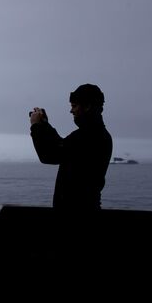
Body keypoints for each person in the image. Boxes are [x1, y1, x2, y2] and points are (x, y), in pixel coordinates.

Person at [29, 83, 113, 212]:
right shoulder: (97, 135)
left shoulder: (86, 136)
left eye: (74, 106)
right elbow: (62, 147)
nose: (71, 110)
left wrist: (35, 127)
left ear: (87, 106)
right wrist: (45, 125)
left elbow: (48, 155)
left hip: (75, 216)